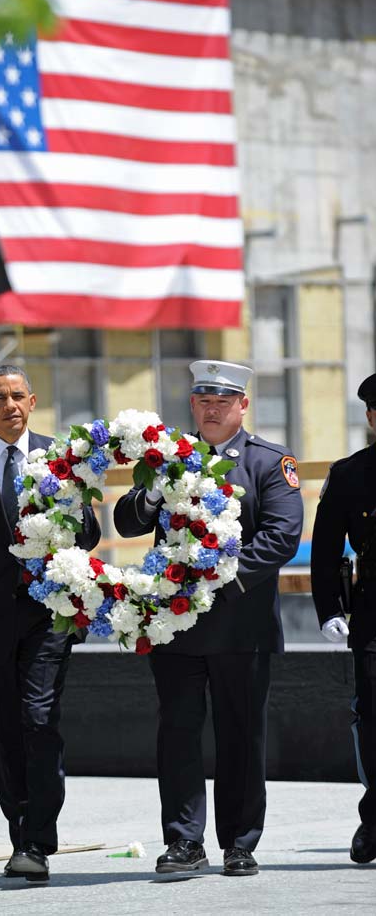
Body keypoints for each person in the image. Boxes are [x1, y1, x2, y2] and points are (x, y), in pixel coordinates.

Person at [114, 360, 303, 876]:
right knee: (177, 733)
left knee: (241, 735)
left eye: (223, 401)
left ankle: (240, 842)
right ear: (192, 406)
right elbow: (125, 520)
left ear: (243, 405)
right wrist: (152, 492)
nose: (212, 409)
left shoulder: (267, 462)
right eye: (203, 401)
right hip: (175, 626)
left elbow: (283, 534)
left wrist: (223, 578)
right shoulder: (172, 458)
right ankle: (183, 841)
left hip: (241, 624)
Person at [0, 365, 101, 882]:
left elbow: (90, 535)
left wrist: (69, 500)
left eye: (17, 396)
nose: (9, 405)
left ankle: (38, 839)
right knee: (2, 728)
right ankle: (20, 828)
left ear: (32, 402)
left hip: (48, 618)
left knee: (38, 718)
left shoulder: (61, 457)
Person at [311, 371, 376, 864]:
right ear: (372, 418)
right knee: (372, 721)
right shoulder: (351, 473)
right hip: (373, 613)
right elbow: (326, 546)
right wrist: (329, 608)